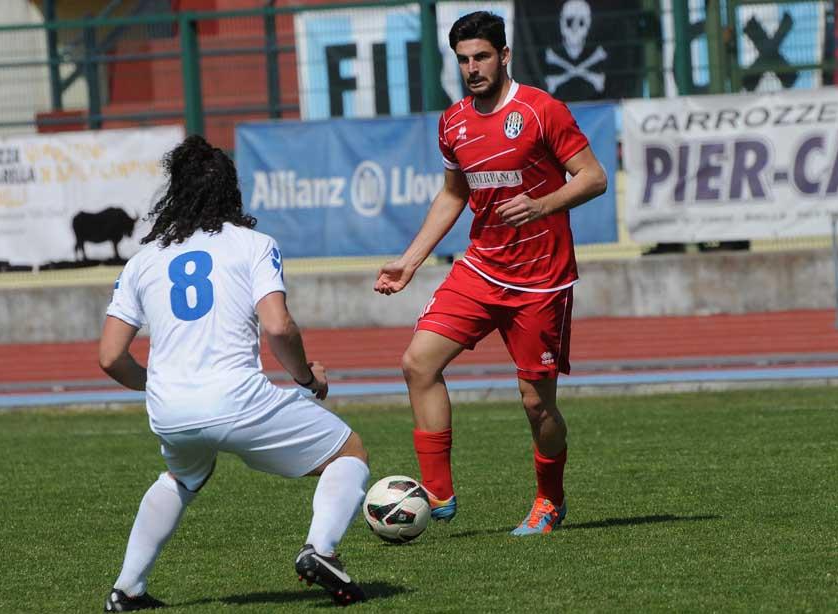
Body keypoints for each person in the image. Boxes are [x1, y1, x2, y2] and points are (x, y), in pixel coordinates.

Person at [99, 135, 369, 610]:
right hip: (236, 401)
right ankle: (321, 550)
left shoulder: (143, 262)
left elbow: (110, 357)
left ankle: (126, 590)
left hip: (169, 411)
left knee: (182, 478)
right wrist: (307, 379)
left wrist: (156, 383)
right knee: (347, 451)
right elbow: (278, 327)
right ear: (231, 191)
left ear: (173, 194)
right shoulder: (254, 245)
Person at [374, 11, 607, 536]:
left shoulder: (542, 110)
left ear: (503, 56)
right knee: (418, 364)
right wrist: (409, 261)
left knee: (535, 404)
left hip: (541, 279)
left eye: (481, 56)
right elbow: (455, 193)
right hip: (480, 268)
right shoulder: (453, 121)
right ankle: (437, 492)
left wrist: (543, 204)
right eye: (462, 60)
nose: (472, 68)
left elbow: (594, 177)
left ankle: (550, 499)